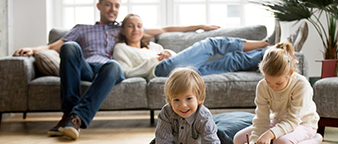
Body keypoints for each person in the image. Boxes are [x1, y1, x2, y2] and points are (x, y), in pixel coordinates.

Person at [12, 0, 221, 140]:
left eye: (117, 5)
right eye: (109, 4)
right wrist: (32, 49)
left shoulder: (123, 27)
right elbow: (52, 47)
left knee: (112, 64)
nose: (113, 9)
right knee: (69, 46)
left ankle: (75, 119)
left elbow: (165, 30)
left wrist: (199, 26)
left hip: (111, 71)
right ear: (99, 5)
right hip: (87, 68)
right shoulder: (82, 28)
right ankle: (68, 114)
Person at [113, 14, 288, 80]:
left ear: (143, 29)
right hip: (160, 71)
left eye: (139, 25)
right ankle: (266, 42)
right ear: (122, 29)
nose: (135, 29)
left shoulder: (153, 45)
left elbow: (176, 58)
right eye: (130, 25)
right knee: (211, 43)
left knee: (232, 61)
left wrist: (169, 54)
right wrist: (154, 60)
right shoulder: (121, 48)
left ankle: (278, 51)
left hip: (181, 71)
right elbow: (125, 73)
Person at [233, 41, 323, 144]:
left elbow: (293, 120)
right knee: (238, 140)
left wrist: (269, 134)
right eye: (268, 82)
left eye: (278, 83)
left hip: (303, 124)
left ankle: (313, 140)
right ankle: (268, 143)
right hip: (278, 122)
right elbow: (261, 119)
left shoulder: (301, 85)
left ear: (290, 73)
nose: (273, 87)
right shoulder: (262, 86)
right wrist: (253, 142)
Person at [138, 67, 221, 144]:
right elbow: (164, 142)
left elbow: (212, 143)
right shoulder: (166, 113)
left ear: (199, 98)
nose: (183, 105)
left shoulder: (204, 116)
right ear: (170, 100)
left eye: (189, 98)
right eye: (176, 100)